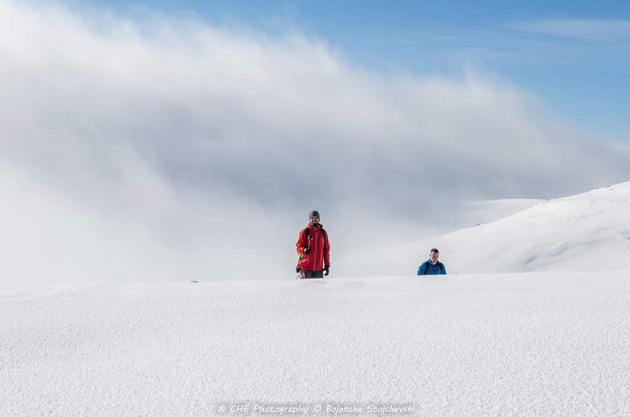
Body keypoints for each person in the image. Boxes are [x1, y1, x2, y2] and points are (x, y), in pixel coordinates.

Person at [295, 210, 331, 279]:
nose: (314, 219)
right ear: (309, 219)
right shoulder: (304, 232)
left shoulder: (323, 233)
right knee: (304, 288)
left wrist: (327, 265)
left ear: (319, 219)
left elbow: (326, 251)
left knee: (319, 289)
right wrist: (304, 250)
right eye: (312, 218)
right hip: (305, 268)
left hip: (318, 269)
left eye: (316, 218)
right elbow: (298, 247)